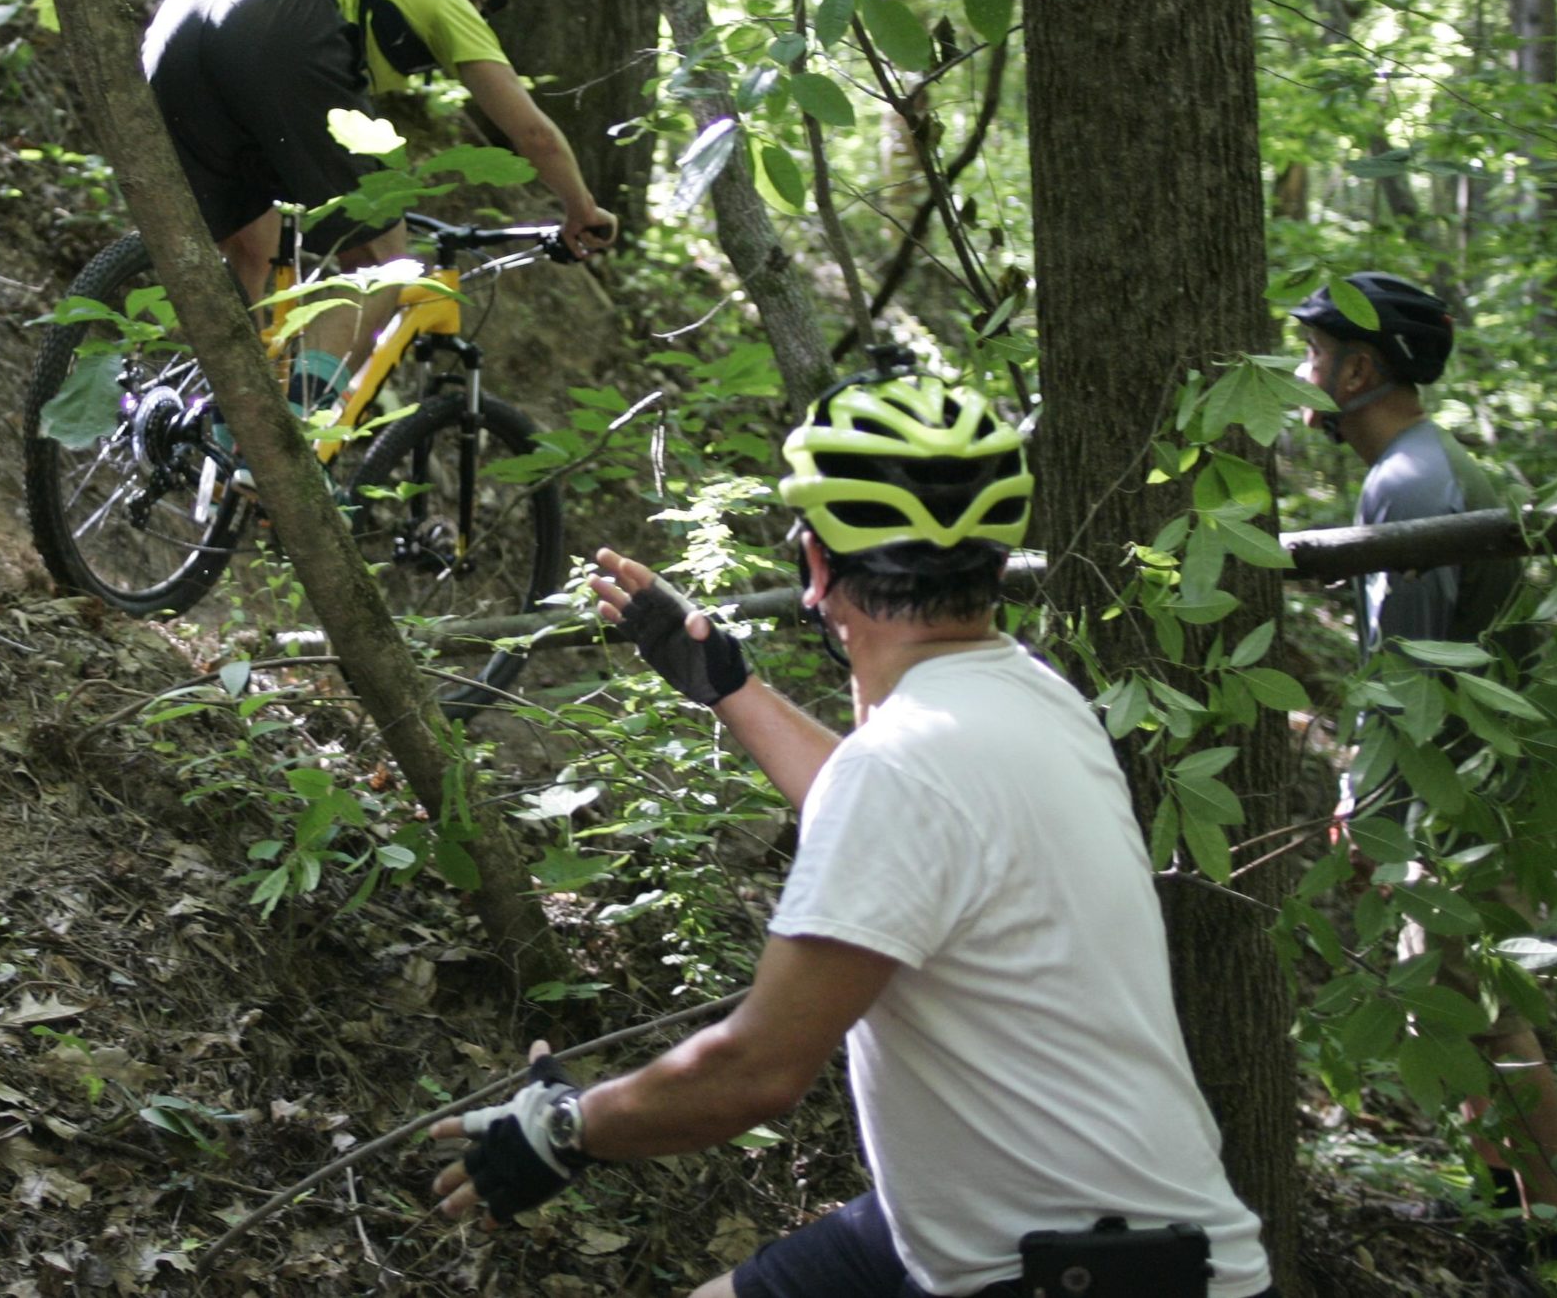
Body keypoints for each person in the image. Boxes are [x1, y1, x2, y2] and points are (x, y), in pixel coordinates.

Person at [428, 374, 1277, 1298]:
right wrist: (728, 687)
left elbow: (757, 1070)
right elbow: (897, 824)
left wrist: (568, 1127)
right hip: (1034, 1231)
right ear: (992, 566)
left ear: (817, 568)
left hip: (1074, 1270)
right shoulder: (1032, 698)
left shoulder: (907, 767)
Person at [1290, 272, 1557, 1234]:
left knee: (1480, 1015)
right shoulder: (1419, 467)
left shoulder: (1410, 481)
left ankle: (1546, 1229)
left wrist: (1373, 807)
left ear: (1361, 368)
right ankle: (1508, 1210)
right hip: (1469, 788)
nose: (1302, 370)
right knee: (1459, 1010)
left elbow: (1410, 674)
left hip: (1467, 796)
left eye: (1317, 354)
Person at [141, 0, 616, 401]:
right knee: (383, 263)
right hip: (281, 25)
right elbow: (532, 132)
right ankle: (291, 433)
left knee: (250, 247)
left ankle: (215, 420)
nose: (477, 9)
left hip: (182, 13)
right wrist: (581, 209)